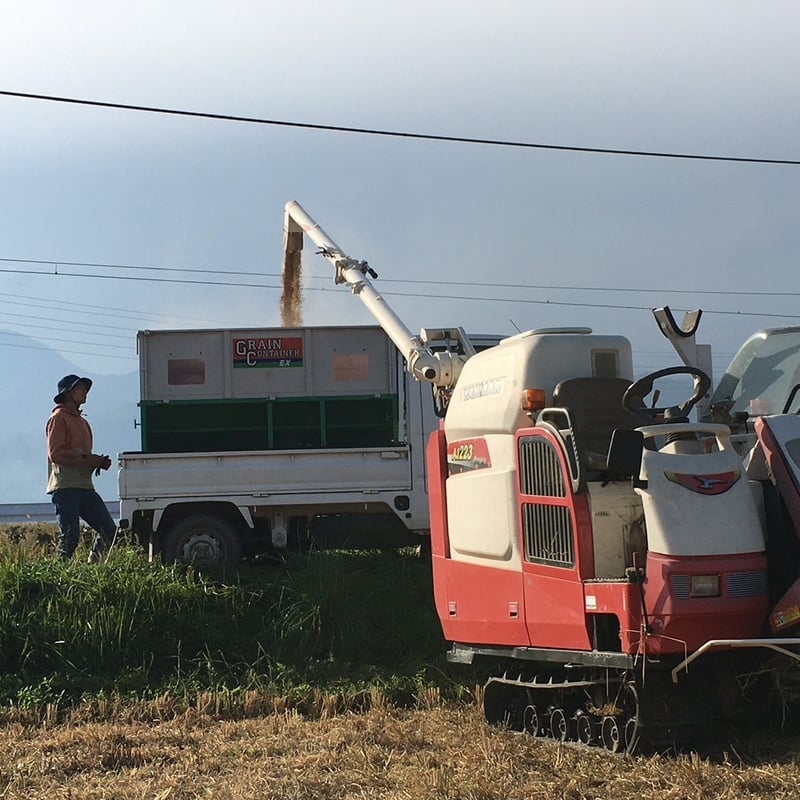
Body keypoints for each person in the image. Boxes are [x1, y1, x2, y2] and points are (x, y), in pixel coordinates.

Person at [46, 374, 117, 562]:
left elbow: (80, 455)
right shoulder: (58, 418)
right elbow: (56, 454)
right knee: (70, 537)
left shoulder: (83, 422)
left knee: (109, 530)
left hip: (85, 486)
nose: (85, 391)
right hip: (65, 487)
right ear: (68, 393)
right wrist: (88, 458)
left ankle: (93, 568)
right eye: (80, 388)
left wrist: (98, 462)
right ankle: (57, 577)